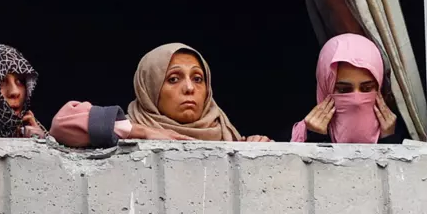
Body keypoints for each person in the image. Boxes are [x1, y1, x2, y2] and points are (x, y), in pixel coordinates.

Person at [127, 43, 271, 143]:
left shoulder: (226, 136)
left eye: (197, 79)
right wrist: (137, 132)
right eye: (173, 79)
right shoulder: (121, 132)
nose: (189, 88)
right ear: (148, 88)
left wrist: (257, 147)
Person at [291, 33, 403, 144]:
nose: (357, 100)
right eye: (344, 90)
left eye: (367, 88)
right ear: (325, 88)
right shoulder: (293, 141)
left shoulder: (402, 136)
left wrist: (389, 141)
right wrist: (316, 140)